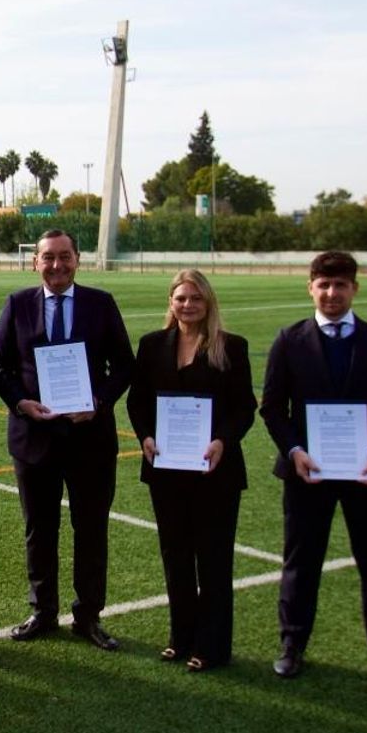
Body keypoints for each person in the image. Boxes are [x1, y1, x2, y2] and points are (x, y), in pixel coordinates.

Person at [260, 250, 367, 692]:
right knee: (300, 563)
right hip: (308, 473)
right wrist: (293, 450)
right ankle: (292, 647)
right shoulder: (289, 339)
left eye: (340, 285)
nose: (331, 293)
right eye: (323, 285)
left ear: (354, 289)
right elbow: (272, 408)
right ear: (310, 287)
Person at [0, 230, 135, 653]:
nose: (57, 266)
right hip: (33, 439)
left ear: (78, 259)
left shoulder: (100, 303)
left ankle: (88, 615)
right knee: (40, 529)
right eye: (48, 258)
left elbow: (124, 365)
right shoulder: (18, 305)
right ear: (35, 262)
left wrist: (99, 401)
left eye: (65, 257)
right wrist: (21, 403)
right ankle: (43, 610)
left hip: (90, 438)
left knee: (90, 529)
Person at [126, 270, 256, 671]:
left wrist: (222, 441)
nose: (188, 305)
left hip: (214, 470)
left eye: (195, 298)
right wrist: (144, 436)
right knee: (176, 556)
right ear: (171, 302)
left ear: (208, 302)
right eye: (181, 298)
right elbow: (137, 402)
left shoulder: (230, 347)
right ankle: (180, 638)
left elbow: (244, 408)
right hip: (165, 469)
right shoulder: (151, 345)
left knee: (214, 559)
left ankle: (212, 646)